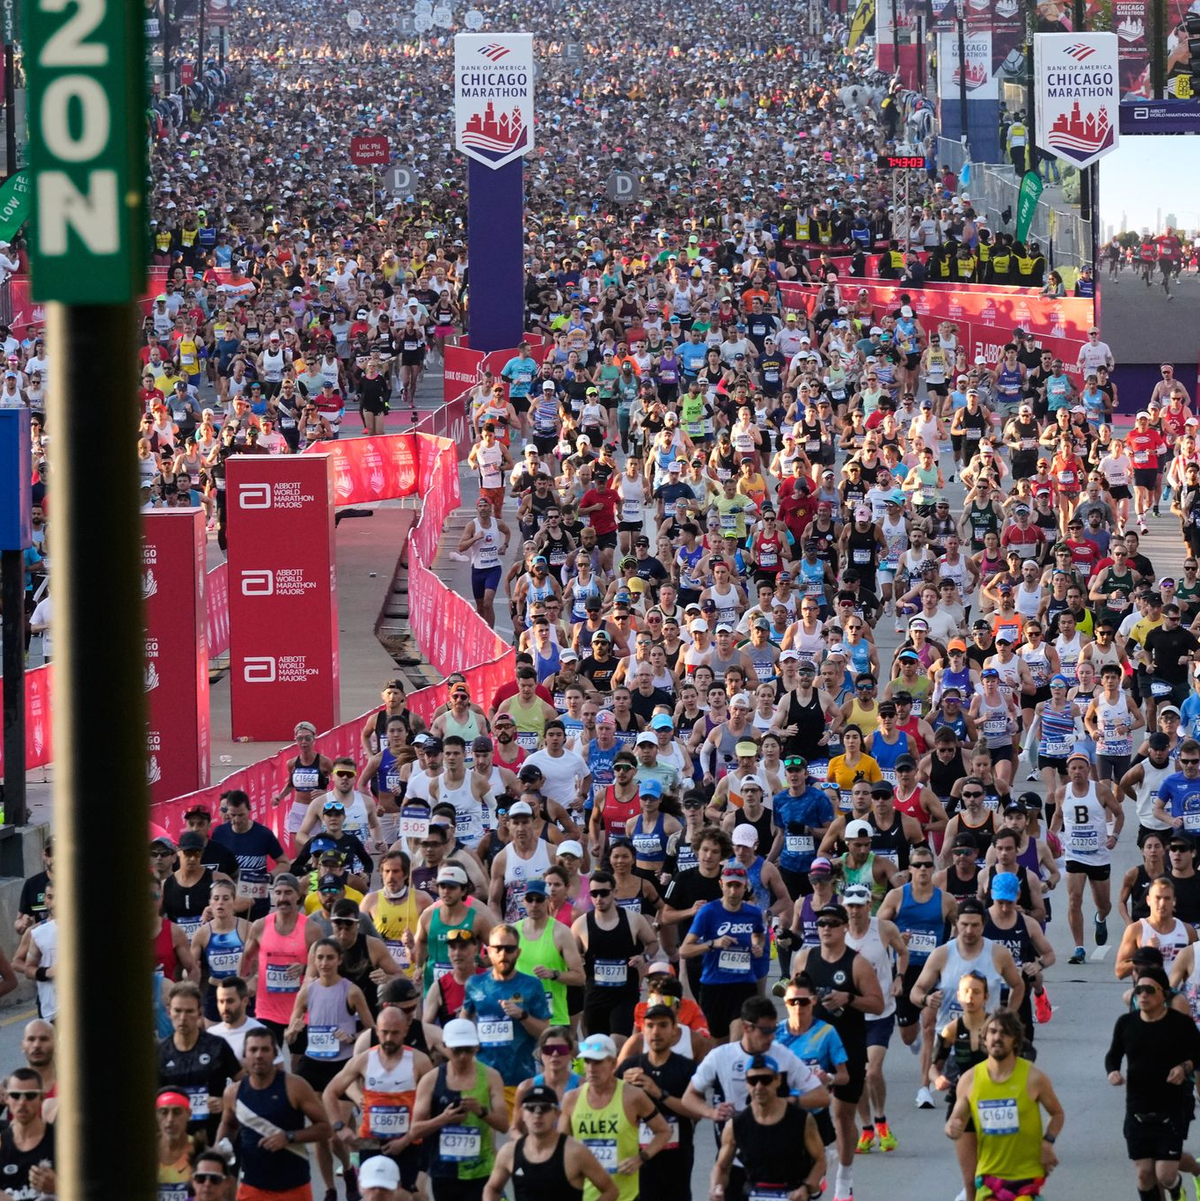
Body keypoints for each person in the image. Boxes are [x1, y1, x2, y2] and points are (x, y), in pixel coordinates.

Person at [791, 902, 885, 1201]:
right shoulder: (806, 958)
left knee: (843, 1114)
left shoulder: (857, 964)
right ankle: (813, 1172)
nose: (826, 928)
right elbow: (793, 997)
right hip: (810, 1046)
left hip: (847, 1046)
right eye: (821, 924)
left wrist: (849, 998)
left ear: (845, 927)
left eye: (832, 923)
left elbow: (878, 1004)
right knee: (806, 1113)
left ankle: (844, 1177)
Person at [946, 1009, 1063, 1201]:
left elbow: (1057, 1114)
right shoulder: (970, 1080)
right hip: (989, 1177)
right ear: (984, 1039)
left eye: (1004, 1033)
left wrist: (1048, 1142)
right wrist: (952, 1128)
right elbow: (956, 1119)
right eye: (992, 1032)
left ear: (1015, 1041)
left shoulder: (1033, 1078)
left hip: (1026, 1176)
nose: (997, 1037)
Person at [1107, 964, 1200, 1201]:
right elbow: (1113, 1055)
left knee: (1166, 1174)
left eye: (1149, 990)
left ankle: (1177, 1190)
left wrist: (1184, 1067)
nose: (1143, 995)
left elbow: (1197, 1054)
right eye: (1139, 991)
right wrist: (1113, 1071)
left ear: (1164, 994)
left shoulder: (1181, 1024)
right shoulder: (1126, 1024)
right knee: (1144, 1175)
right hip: (1137, 1109)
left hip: (1171, 1109)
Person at [216, 1027, 332, 1199]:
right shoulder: (233, 1093)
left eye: (265, 1049)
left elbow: (325, 1128)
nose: (258, 1055)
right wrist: (218, 1148)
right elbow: (229, 1124)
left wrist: (289, 1137)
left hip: (293, 1187)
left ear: (275, 1053)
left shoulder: (295, 1086)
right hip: (252, 1187)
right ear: (244, 1054)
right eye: (253, 1050)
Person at [562, 1032, 671, 1201]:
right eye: (587, 1061)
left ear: (613, 1063)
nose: (591, 1068)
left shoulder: (633, 1096)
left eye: (597, 1062)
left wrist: (640, 1158)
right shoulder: (571, 1099)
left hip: (625, 1195)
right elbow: (561, 1146)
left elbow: (664, 1131)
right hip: (584, 1194)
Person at [411, 1018, 510, 1201]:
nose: (463, 1056)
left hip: (481, 1169)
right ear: (445, 1046)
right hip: (444, 1170)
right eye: (457, 1050)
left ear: (477, 1047)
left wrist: (481, 1111)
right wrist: (444, 1119)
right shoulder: (431, 1080)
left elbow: (504, 1125)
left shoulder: (491, 1076)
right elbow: (415, 1130)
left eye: (468, 1049)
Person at [709, 1053, 825, 1201]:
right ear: (746, 1083)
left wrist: (806, 1187)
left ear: (778, 1080)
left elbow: (820, 1160)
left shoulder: (801, 1119)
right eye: (752, 1080)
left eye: (765, 1080)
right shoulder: (736, 1124)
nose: (759, 1086)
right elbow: (722, 1167)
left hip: (793, 1193)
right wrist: (716, 1187)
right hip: (754, 1192)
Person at [462, 923, 552, 1113]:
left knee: (515, 1140)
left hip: (518, 1080)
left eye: (509, 949)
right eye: (498, 949)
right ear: (489, 951)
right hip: (481, 1080)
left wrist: (523, 1016)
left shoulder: (532, 985)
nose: (503, 954)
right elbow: (464, 1022)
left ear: (518, 952)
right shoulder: (474, 983)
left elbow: (545, 1031)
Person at [614, 1000, 698, 1201]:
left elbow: (696, 1112)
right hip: (637, 1158)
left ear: (674, 1030)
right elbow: (607, 1101)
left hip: (676, 1156)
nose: (656, 1032)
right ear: (643, 1029)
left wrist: (659, 1092)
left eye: (662, 1025)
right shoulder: (629, 1065)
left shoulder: (686, 1068)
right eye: (650, 1026)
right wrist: (620, 1088)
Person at [679, 862, 767, 1042]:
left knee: (737, 1043)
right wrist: (712, 944)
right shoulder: (708, 912)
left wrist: (757, 945)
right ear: (721, 885)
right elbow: (684, 950)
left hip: (744, 984)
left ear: (745, 887)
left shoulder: (753, 913)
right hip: (714, 987)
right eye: (729, 885)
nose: (733, 891)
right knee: (717, 1046)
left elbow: (759, 934)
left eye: (738, 886)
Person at [484, 1083, 619, 1201]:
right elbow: (492, 1188)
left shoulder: (575, 1152)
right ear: (522, 1114)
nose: (537, 1114)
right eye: (531, 1108)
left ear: (557, 1113)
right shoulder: (509, 1152)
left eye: (545, 1107)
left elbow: (611, 1191)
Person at [1056, 749, 1124, 964]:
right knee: (1074, 899)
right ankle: (1079, 948)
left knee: (1104, 904)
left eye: (1081, 768)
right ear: (1068, 770)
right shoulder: (1062, 793)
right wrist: (1052, 840)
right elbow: (1058, 817)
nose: (1077, 772)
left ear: (1088, 770)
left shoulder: (1101, 791)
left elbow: (1119, 813)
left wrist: (1114, 836)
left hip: (1099, 855)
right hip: (1074, 855)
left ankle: (1100, 918)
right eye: (1073, 768)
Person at [157, 981, 240, 1147]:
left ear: (199, 1013)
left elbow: (244, 1083)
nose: (183, 1018)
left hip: (214, 1137)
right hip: (174, 1141)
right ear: (168, 1012)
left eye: (189, 1011)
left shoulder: (217, 1046)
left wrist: (226, 1102)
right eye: (178, 1011)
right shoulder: (160, 1052)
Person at [0, 1068, 55, 1201]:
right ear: (6, 1098)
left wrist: (58, 1186)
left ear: (41, 1098)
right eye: (15, 1095)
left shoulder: (62, 1141)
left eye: (30, 1095)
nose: (22, 1102)